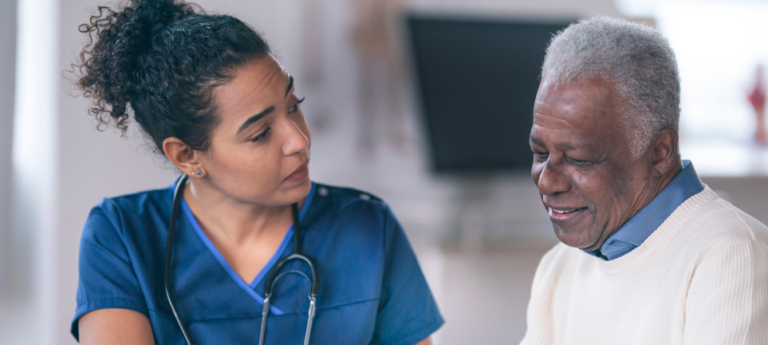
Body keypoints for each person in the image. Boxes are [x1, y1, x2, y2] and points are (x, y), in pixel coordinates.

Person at [70, 0, 443, 344]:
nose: (298, 140)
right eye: (260, 133)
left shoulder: (368, 228)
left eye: (294, 106)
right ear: (186, 156)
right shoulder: (121, 236)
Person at [523, 17, 768, 344]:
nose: (547, 182)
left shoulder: (733, 256)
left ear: (660, 152)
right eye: (540, 153)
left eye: (578, 159)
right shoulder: (558, 267)